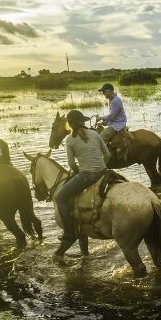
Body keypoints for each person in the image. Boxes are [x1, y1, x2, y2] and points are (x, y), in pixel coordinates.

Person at [54, 109, 111, 256]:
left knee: (60, 198)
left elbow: (72, 164)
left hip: (87, 175)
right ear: (83, 121)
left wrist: (79, 171)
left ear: (70, 124)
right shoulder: (95, 134)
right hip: (104, 173)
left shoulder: (70, 140)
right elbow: (107, 155)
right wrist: (101, 167)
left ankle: (68, 233)